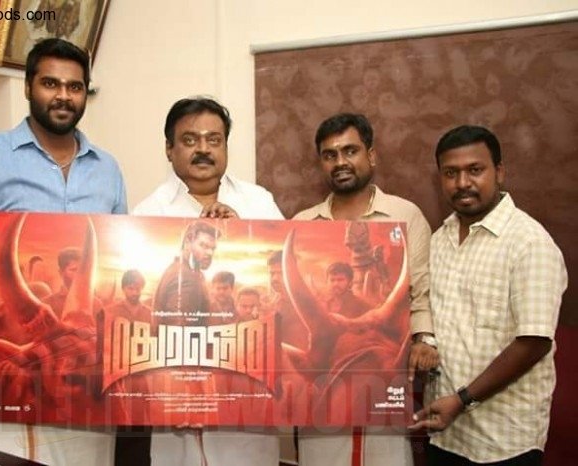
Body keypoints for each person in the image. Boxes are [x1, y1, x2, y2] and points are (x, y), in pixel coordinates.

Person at [0, 38, 127, 465]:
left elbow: (115, 267)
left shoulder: (108, 170)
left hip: (85, 382)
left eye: (75, 87)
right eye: (50, 83)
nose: (63, 96)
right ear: (27, 87)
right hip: (4, 383)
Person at [133, 97, 283, 466]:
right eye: (190, 140)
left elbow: (280, 278)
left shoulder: (258, 202)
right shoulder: (147, 213)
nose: (203, 149)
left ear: (226, 147)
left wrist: (242, 232)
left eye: (214, 140)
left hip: (241, 394)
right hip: (176, 394)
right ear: (169, 149)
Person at [409, 125, 567, 465]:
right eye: (450, 173)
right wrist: (424, 341)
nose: (462, 182)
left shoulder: (529, 243)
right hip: (446, 433)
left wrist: (462, 400)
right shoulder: (440, 240)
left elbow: (534, 342)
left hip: (504, 440)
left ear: (499, 172)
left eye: (475, 170)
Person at [292, 113, 439, 466]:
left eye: (350, 151)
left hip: (383, 373)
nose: (340, 162)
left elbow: (421, 291)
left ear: (370, 155)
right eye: (330, 155)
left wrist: (424, 339)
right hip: (326, 378)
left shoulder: (405, 215)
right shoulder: (301, 224)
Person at [153, 221, 218, 325]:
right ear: (188, 242)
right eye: (204, 246)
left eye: (212, 248)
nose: (210, 253)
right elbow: (179, 328)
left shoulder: (178, 269)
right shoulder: (186, 277)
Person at [44, 247, 82, 318]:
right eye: (74, 270)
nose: (79, 274)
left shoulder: (96, 304)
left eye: (82, 270)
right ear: (61, 273)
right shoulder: (48, 305)